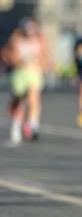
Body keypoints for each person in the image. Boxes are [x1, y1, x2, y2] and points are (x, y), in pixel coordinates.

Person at [3, 17, 49, 145]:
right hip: (19, 73)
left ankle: (32, 125)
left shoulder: (39, 40)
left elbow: (45, 56)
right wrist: (17, 60)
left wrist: (44, 64)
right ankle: (16, 126)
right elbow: (8, 56)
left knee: (33, 98)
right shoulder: (16, 40)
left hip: (34, 72)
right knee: (18, 101)